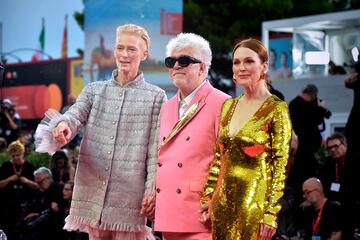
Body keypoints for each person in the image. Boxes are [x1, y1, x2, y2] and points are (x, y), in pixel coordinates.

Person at [34, 23, 167, 239]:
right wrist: (63, 125)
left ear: (144, 54)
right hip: (92, 188)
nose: (124, 54)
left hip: (129, 196)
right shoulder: (94, 90)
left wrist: (151, 189)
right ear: (113, 50)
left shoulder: (156, 96)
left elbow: (155, 149)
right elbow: (74, 114)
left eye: (131, 49)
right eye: (120, 48)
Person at [200, 38, 292, 240]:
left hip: (255, 207)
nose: (241, 67)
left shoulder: (276, 109)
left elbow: (281, 166)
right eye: (236, 62)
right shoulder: (228, 106)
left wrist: (271, 214)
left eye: (249, 61)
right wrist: (208, 196)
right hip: (221, 204)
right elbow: (219, 157)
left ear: (264, 66)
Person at [147, 33, 229, 240]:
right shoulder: (166, 108)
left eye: (184, 61)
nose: (176, 66)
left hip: (202, 214)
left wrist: (217, 200)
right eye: (171, 61)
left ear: (202, 67)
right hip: (168, 215)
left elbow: (229, 160)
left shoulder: (223, 103)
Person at [288, 84, 332, 195]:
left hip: (314, 147)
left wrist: (321, 109)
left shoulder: (312, 103)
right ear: (311, 95)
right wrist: (319, 109)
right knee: (303, 175)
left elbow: (325, 116)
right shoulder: (295, 106)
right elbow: (308, 123)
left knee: (318, 171)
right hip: (303, 149)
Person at [0, 140, 37, 237]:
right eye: (13, 155)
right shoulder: (5, 166)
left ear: (22, 154)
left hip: (25, 204)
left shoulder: (29, 167)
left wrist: (27, 181)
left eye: (18, 155)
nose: (16, 157)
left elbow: (37, 186)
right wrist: (9, 179)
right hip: (7, 205)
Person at [318, 132, 347, 203]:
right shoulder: (329, 162)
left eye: (336, 146)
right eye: (329, 148)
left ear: (345, 145)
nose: (332, 150)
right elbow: (322, 182)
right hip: (331, 202)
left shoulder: (356, 161)